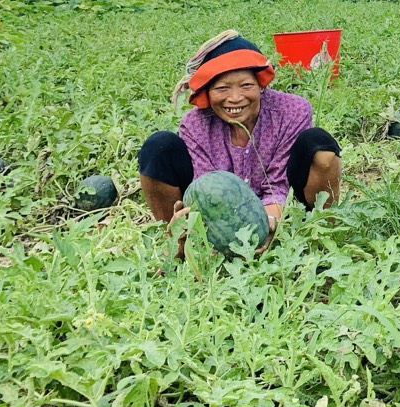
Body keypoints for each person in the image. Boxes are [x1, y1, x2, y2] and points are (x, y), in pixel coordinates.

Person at [138, 31, 342, 249]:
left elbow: (278, 185)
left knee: (320, 145)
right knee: (158, 147)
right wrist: (202, 220)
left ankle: (324, 232)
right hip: (220, 213)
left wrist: (268, 224)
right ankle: (178, 242)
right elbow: (208, 188)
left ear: (261, 85)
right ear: (208, 92)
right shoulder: (195, 124)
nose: (235, 98)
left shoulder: (292, 111)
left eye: (246, 86)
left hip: (283, 207)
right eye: (222, 88)